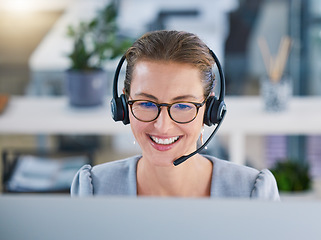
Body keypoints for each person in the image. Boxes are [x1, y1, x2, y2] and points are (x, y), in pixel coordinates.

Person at [71, 30, 280, 200]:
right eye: (146, 103)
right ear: (124, 106)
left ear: (209, 111)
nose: (162, 126)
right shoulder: (93, 190)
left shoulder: (253, 193)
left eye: (182, 106)